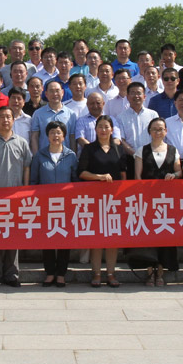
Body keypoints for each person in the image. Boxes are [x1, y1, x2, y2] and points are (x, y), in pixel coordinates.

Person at [0, 106, 33, 288]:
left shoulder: (22, 143)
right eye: (2, 117)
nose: (5, 120)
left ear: (13, 120)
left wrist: (25, 191)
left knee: (13, 236)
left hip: (15, 198)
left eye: (9, 117)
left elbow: (26, 168)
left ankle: (11, 274)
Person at [78, 114, 124, 287]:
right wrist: (99, 177)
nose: (103, 130)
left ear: (112, 130)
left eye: (106, 127)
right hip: (94, 199)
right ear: (95, 129)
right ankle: (96, 273)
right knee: (96, 238)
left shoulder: (118, 149)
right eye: (100, 127)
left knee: (112, 238)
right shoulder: (89, 149)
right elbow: (81, 172)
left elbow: (123, 174)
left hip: (115, 200)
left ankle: (111, 274)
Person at [30, 121, 77, 287]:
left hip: (65, 205)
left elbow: (75, 181)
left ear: (64, 136)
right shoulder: (39, 156)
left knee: (64, 238)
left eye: (58, 133)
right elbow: (33, 181)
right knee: (47, 238)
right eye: (52, 133)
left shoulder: (71, 156)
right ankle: (50, 273)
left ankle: (61, 273)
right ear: (47, 136)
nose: (55, 136)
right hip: (45, 205)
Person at [135, 117, 181, 286]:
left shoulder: (173, 150)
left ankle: (160, 271)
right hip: (148, 200)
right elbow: (138, 176)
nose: (158, 132)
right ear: (149, 132)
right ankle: (149, 271)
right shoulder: (142, 150)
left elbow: (179, 171)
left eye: (161, 129)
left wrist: (173, 175)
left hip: (167, 201)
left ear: (166, 131)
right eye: (154, 129)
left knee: (165, 235)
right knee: (148, 236)